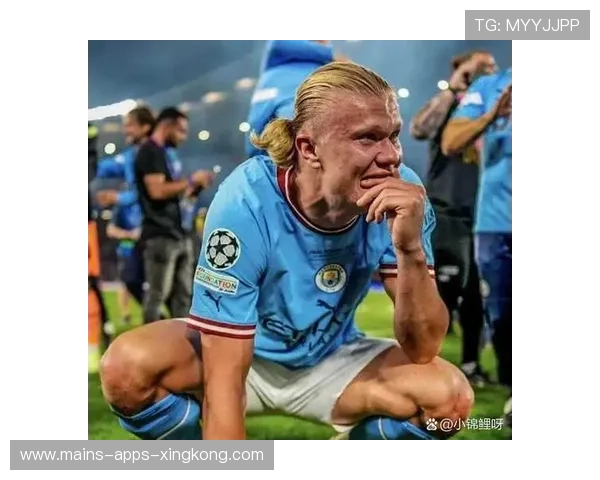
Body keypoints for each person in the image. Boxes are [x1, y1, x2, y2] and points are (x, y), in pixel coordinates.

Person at [100, 62, 474, 441]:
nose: (391, 155)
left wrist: (410, 251)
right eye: (367, 138)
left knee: (449, 402)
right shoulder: (247, 199)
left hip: (331, 358)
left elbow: (423, 348)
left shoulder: (402, 194)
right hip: (245, 354)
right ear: (308, 148)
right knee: (127, 368)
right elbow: (224, 377)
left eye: (393, 135)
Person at [410, 50, 497, 387]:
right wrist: (453, 87)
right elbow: (419, 129)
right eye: (482, 68)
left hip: (482, 213)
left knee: (477, 295)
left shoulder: (492, 111)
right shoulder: (449, 107)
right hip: (447, 211)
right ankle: (422, 368)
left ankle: (472, 365)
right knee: (445, 292)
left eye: (491, 67)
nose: (490, 72)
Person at [442, 68, 512, 426]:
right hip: (497, 222)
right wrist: (492, 115)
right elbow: (450, 142)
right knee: (501, 318)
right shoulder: (491, 87)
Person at [133, 107, 214, 324]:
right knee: (157, 296)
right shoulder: (149, 151)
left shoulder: (165, 154)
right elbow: (157, 191)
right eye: (181, 131)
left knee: (183, 296)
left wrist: (194, 188)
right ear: (167, 125)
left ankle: (180, 342)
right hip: (160, 234)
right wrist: (190, 180)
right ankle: (151, 344)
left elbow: (174, 196)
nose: (183, 137)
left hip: (178, 233)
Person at [245, 40, 336, 159]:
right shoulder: (318, 73)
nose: (327, 41)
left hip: (275, 155)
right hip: (302, 154)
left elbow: (255, 126)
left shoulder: (270, 75)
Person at [106, 197, 142, 325]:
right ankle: (125, 314)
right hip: (127, 251)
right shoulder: (123, 205)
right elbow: (110, 230)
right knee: (125, 283)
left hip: (146, 251)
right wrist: (130, 235)